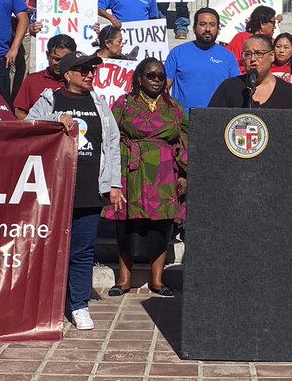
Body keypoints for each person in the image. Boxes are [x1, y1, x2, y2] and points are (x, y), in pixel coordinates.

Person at [27, 52, 123, 331]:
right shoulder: (50, 100)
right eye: (82, 70)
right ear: (67, 74)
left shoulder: (99, 104)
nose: (89, 74)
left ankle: (79, 304)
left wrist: (114, 184)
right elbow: (29, 128)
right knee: (49, 248)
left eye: (91, 69)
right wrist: (57, 119)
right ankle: (48, 303)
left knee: (82, 251)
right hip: (53, 190)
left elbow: (112, 144)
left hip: (88, 188)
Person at [104, 58, 188, 297]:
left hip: (164, 175)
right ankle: (124, 279)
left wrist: (184, 174)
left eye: (161, 76)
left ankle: (157, 281)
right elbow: (110, 136)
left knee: (161, 227)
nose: (156, 80)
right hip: (130, 173)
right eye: (150, 75)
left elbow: (185, 139)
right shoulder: (125, 103)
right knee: (127, 225)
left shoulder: (174, 106)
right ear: (139, 77)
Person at [164, 8, 238, 110]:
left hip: (217, 119)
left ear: (218, 29)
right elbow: (164, 88)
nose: (207, 29)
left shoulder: (228, 57)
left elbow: (235, 91)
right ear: (194, 28)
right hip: (183, 121)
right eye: (202, 24)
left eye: (212, 25)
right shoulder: (177, 53)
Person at [209, 34, 292, 109]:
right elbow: (209, 121)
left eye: (259, 53)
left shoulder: (289, 92)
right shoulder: (229, 87)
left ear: (272, 56)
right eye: (247, 54)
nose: (253, 59)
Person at [14, 35, 77, 119]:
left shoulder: (80, 81)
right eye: (56, 59)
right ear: (48, 55)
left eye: (65, 60)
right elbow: (18, 112)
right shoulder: (32, 80)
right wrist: (40, 125)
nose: (60, 64)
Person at [226, 6, 277, 73]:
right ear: (262, 24)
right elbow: (227, 64)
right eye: (273, 23)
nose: (275, 27)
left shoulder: (275, 43)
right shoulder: (241, 38)